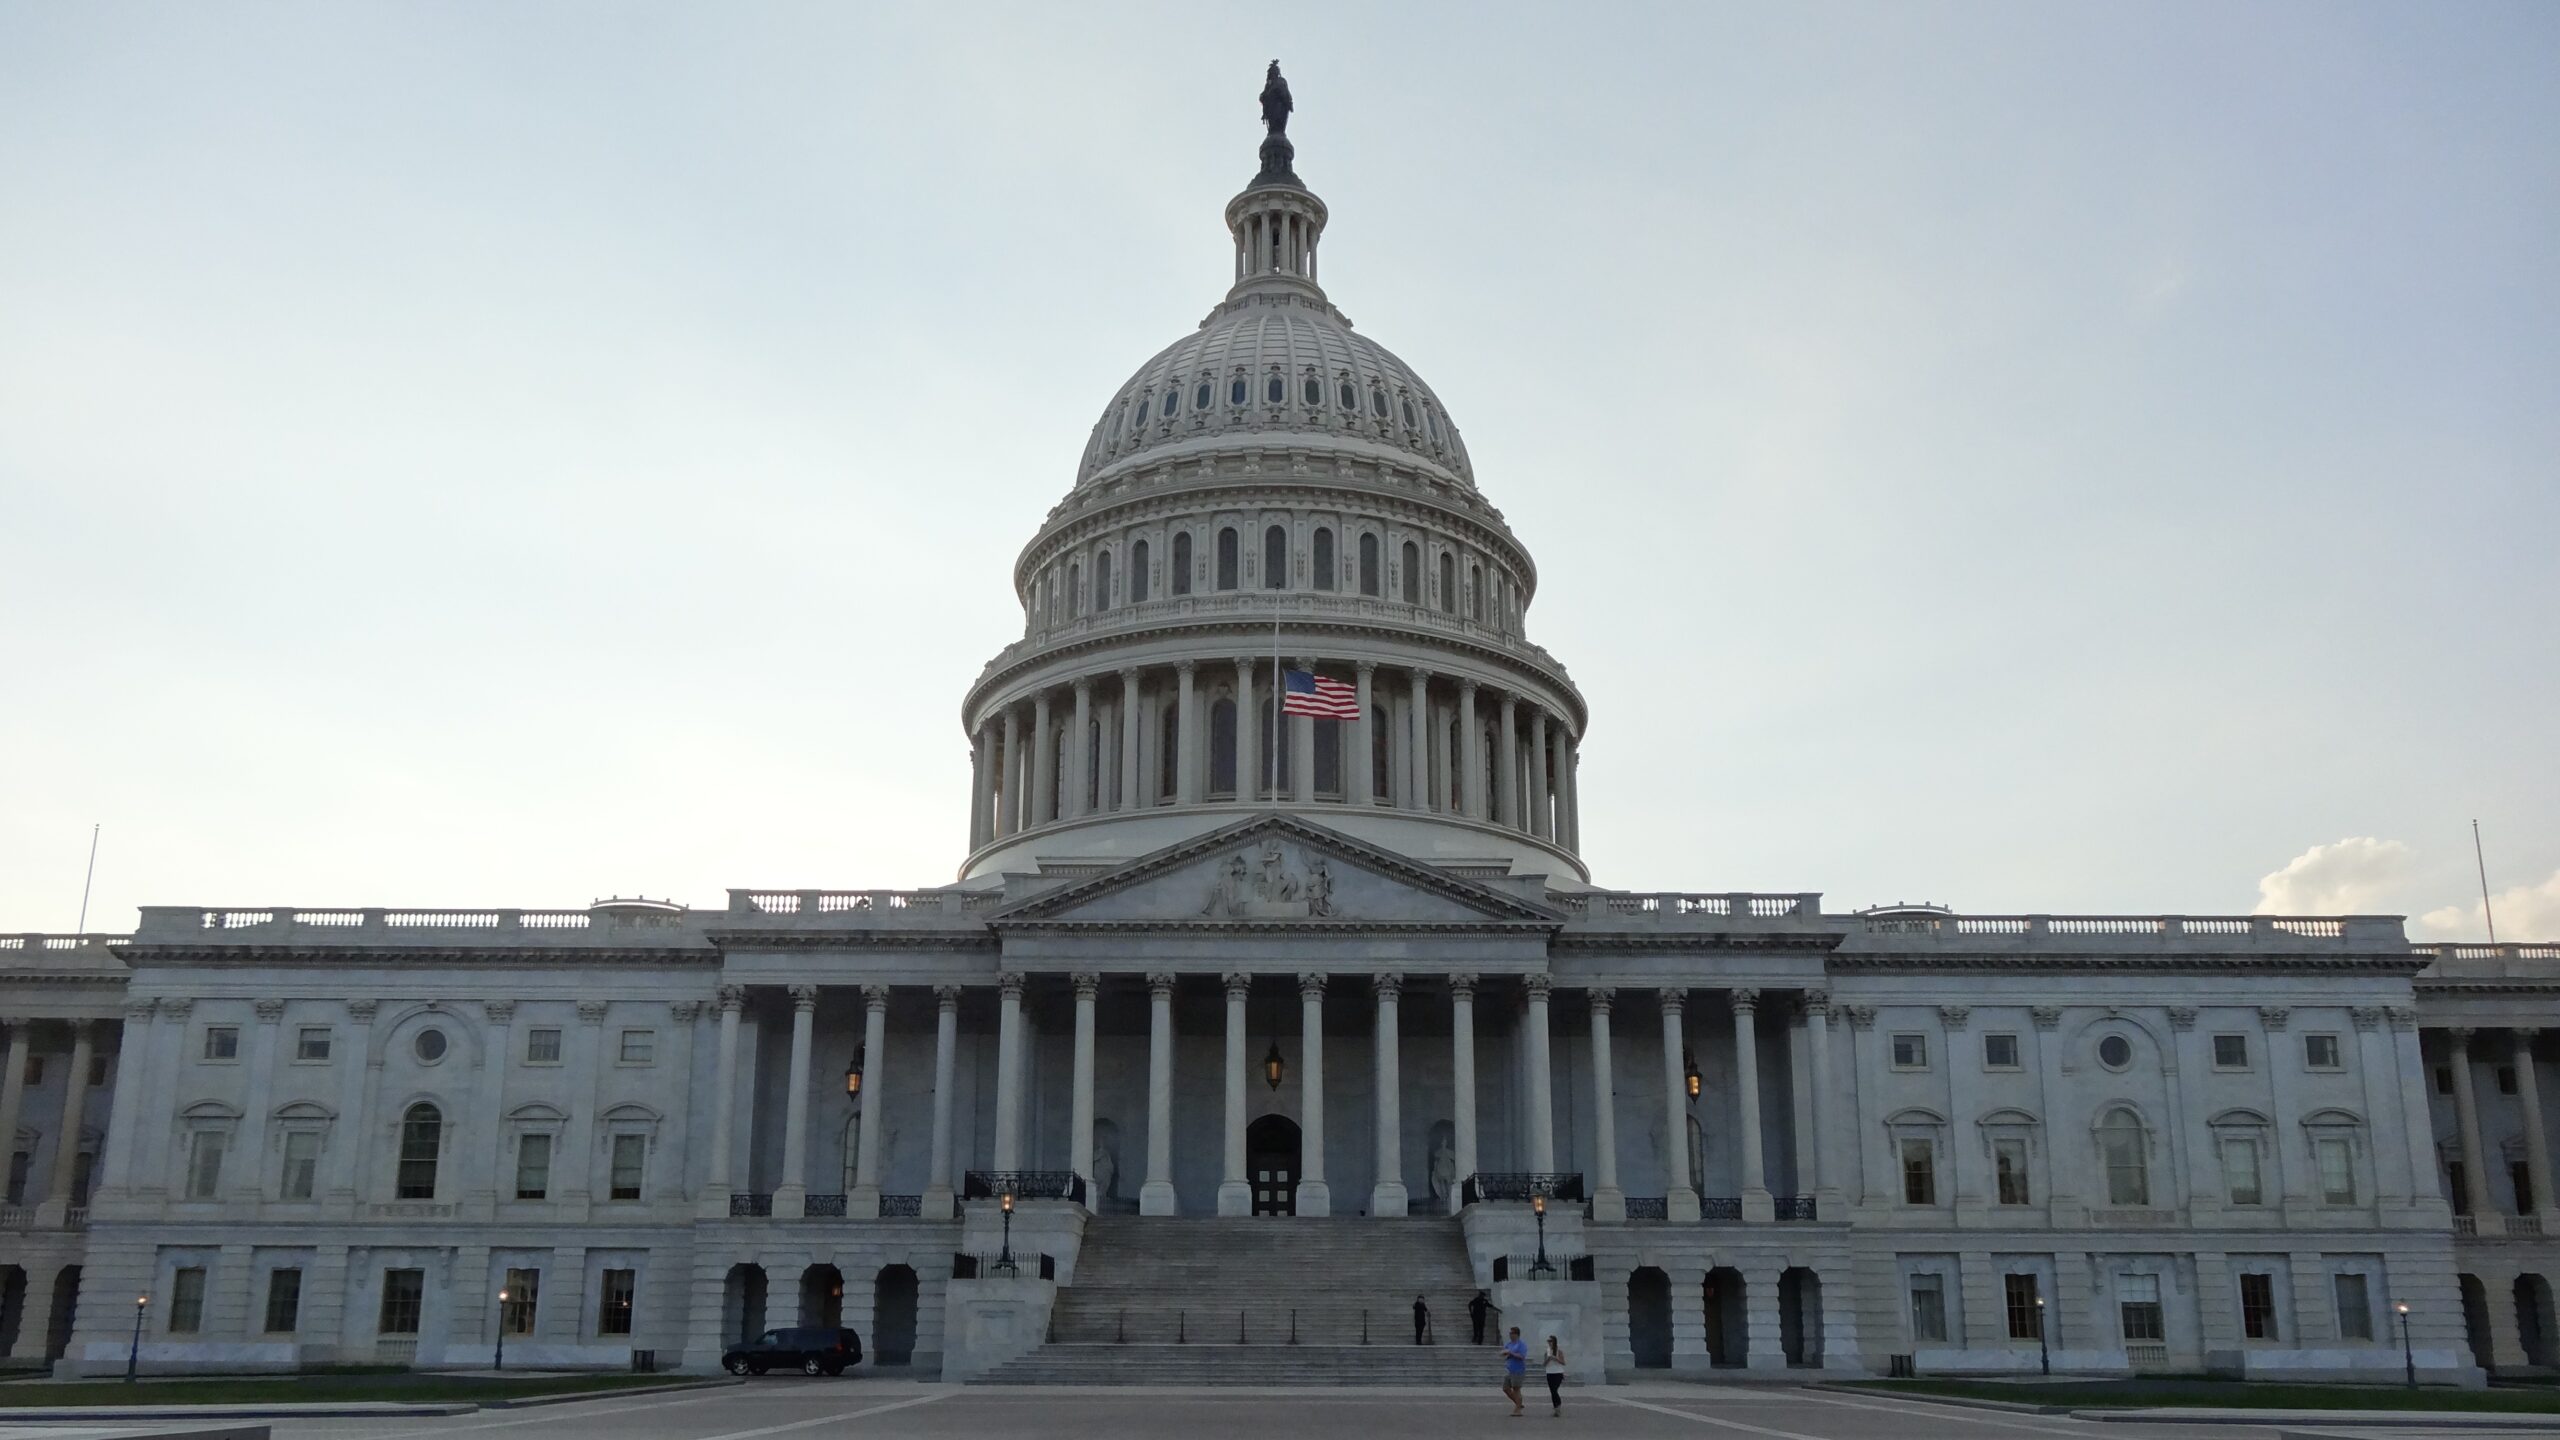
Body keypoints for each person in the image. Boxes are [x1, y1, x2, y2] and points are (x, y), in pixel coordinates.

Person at [1501, 1326, 1528, 1417]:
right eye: (1510, 1333)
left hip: (1518, 1369)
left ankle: (1518, 1410)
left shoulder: (1521, 1345)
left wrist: (1511, 1353)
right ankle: (1518, 1403)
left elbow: (1522, 1356)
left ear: (1516, 1334)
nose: (1510, 1335)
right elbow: (1503, 1354)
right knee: (1505, 1388)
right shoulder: (1509, 1344)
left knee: (1516, 1389)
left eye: (1512, 1333)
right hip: (1509, 1369)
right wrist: (1504, 1354)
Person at [1544, 1334, 1567, 1416]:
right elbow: (1544, 1364)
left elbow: (1564, 1362)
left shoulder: (1559, 1351)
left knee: (1554, 1390)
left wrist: (1556, 1359)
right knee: (1552, 1391)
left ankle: (1558, 1405)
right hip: (1549, 1372)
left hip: (1558, 1373)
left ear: (1554, 1342)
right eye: (1548, 1341)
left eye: (1550, 1341)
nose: (1549, 1343)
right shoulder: (1547, 1351)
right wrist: (1548, 1359)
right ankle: (1556, 1408)